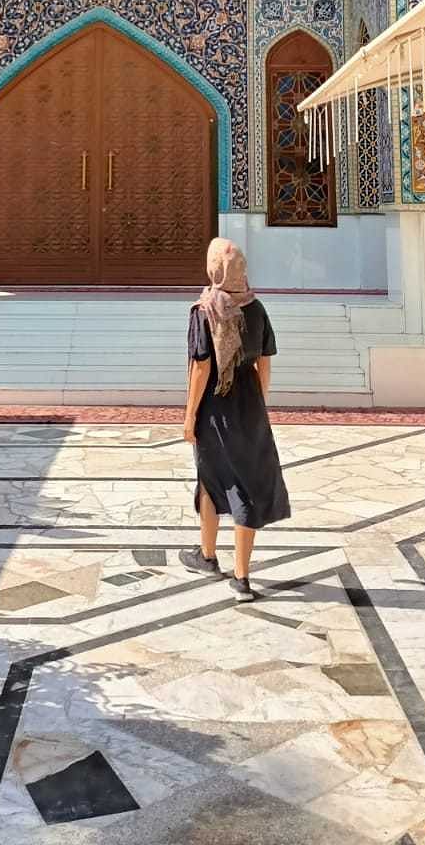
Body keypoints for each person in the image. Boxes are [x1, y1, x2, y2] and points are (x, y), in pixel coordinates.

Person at [180, 237, 290, 602]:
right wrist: (258, 401)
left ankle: (212, 557)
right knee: (245, 479)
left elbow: (201, 366)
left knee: (212, 476)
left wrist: (190, 413)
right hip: (249, 403)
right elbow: (265, 362)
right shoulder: (255, 308)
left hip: (215, 404)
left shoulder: (205, 309)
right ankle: (238, 573)